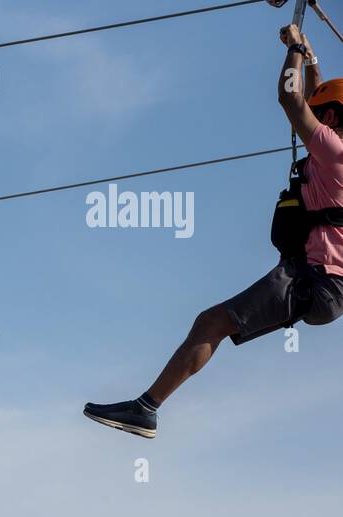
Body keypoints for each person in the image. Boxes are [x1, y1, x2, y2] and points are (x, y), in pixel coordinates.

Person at [85, 23, 343, 438]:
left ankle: (147, 409)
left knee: (211, 323)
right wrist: (309, 55)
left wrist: (294, 46)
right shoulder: (336, 149)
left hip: (316, 281)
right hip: (324, 284)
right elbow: (313, 92)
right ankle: (146, 407)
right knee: (211, 322)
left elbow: (291, 98)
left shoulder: (333, 152)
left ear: (330, 118)